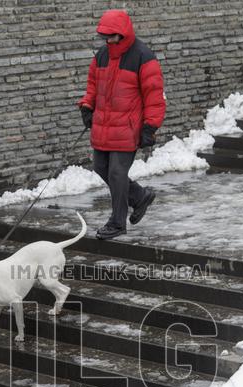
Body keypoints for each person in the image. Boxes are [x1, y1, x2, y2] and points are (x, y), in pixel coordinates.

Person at [77, 9, 166, 240]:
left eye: (112, 36)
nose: (108, 41)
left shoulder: (143, 56)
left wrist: (150, 127)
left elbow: (154, 95)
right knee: (100, 167)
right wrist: (87, 106)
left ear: (123, 33)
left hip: (128, 127)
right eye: (105, 36)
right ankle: (139, 196)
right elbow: (92, 85)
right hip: (103, 125)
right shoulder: (102, 55)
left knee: (117, 173)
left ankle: (117, 223)